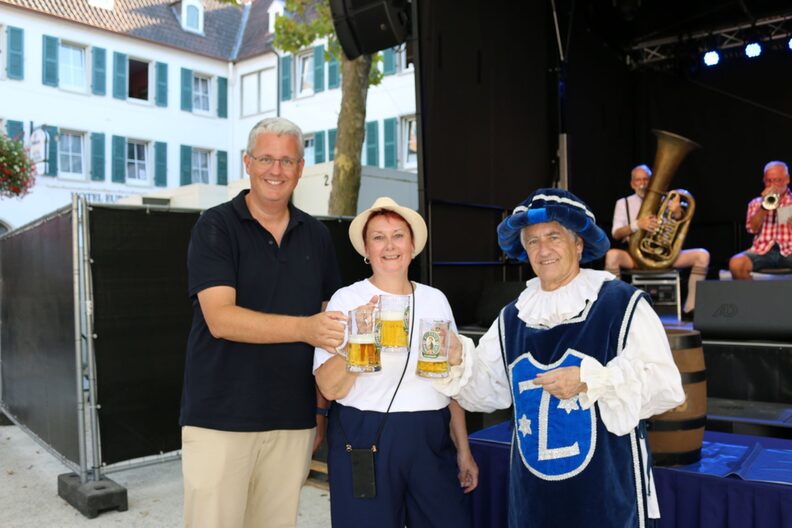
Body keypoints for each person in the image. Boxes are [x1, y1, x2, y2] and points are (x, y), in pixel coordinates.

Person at [434, 188, 685, 527]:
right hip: (533, 497)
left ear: (578, 244)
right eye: (533, 241)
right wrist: (457, 359)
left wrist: (590, 380)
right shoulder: (512, 317)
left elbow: (665, 386)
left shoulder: (622, 305)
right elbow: (486, 392)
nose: (543, 250)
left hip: (607, 495)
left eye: (553, 236)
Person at [180, 117, 346, 528]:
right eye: (267, 158)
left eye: (287, 160)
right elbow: (221, 320)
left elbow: (329, 334)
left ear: (301, 169)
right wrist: (303, 328)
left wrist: (320, 412)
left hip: (293, 420)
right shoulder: (215, 225)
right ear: (247, 163)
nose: (276, 170)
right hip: (220, 418)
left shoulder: (317, 236)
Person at [314, 197, 478, 528]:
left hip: (430, 435)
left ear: (413, 245)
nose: (390, 246)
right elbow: (328, 388)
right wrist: (359, 340)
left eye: (398, 235)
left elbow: (451, 384)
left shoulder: (436, 300)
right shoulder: (347, 300)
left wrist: (463, 449)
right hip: (364, 434)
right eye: (378, 237)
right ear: (366, 249)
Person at [604, 164, 709, 317]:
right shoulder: (623, 203)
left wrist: (678, 213)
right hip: (636, 257)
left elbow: (678, 229)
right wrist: (637, 225)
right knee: (612, 255)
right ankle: (615, 308)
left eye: (646, 179)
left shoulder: (668, 200)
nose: (642, 183)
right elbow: (616, 233)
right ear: (632, 184)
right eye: (638, 180)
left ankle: (691, 309)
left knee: (702, 255)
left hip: (665, 256)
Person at [729, 161, 792, 280]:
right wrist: (764, 208)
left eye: (777, 180)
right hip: (763, 250)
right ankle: (753, 298)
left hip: (789, 250)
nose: (772, 185)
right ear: (764, 181)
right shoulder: (756, 203)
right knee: (736, 264)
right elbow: (752, 229)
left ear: (787, 180)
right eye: (769, 181)